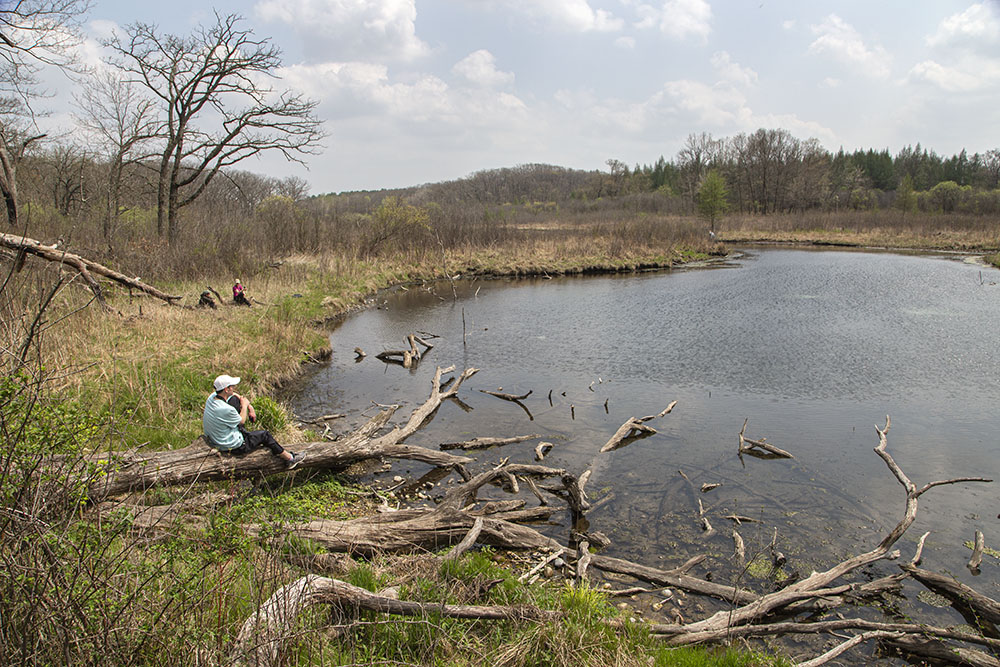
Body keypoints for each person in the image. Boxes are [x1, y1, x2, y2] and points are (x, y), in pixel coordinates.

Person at [203, 374, 305, 469]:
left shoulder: (212, 398)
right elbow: (242, 421)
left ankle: (245, 433)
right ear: (226, 389)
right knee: (265, 435)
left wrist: (250, 407)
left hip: (216, 438)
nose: (234, 388)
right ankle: (290, 459)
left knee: (234, 400)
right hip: (231, 445)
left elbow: (234, 395)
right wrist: (245, 405)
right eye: (232, 386)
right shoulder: (225, 409)